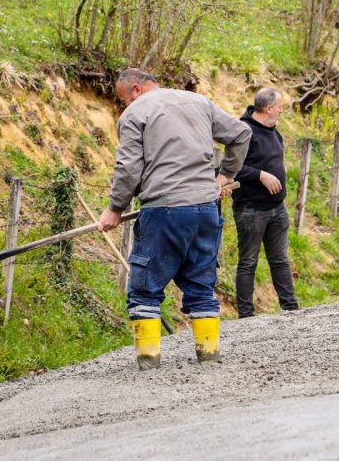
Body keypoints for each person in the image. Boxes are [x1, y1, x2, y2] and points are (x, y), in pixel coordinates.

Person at [98, 68, 252, 370]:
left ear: (137, 90)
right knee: (201, 285)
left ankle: (149, 362)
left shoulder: (135, 114)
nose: (124, 106)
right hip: (206, 209)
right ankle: (208, 355)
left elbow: (129, 167)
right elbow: (241, 134)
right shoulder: (198, 102)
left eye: (124, 99)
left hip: (164, 209)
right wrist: (225, 176)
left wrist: (115, 208)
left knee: (144, 289)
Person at [231, 87, 299, 319]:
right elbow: (232, 168)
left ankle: (291, 308)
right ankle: (246, 315)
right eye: (280, 106)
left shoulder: (274, 131)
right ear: (269, 108)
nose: (281, 110)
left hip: (277, 208)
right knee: (248, 262)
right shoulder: (243, 132)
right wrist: (260, 175)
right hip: (251, 209)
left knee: (280, 260)